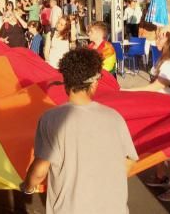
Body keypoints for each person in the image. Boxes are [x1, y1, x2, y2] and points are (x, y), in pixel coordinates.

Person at [21, 48, 138, 214]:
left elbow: (40, 171)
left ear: (66, 82)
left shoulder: (51, 119)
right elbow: (129, 161)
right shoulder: (114, 118)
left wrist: (28, 187)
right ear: (94, 83)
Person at [124, 28, 170, 201]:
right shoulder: (165, 61)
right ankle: (161, 176)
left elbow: (155, 86)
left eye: (159, 37)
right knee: (160, 146)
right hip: (161, 110)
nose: (155, 40)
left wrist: (127, 91)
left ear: (168, 40)